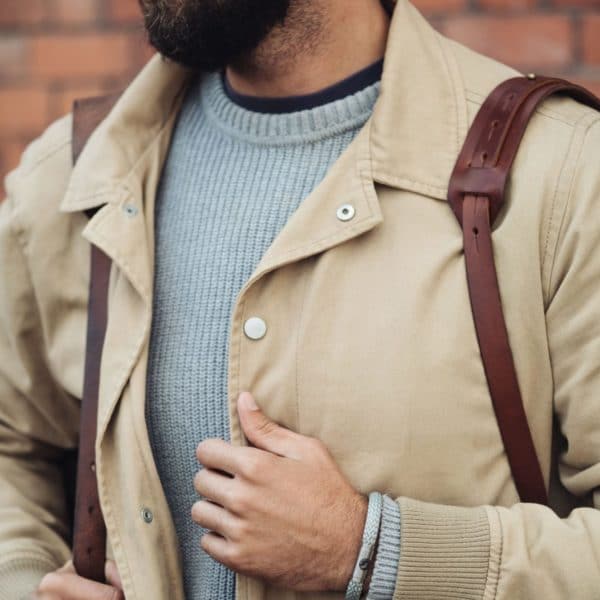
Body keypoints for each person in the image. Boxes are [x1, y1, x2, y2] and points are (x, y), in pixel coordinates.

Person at [1, 0, 599, 598]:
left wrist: (374, 550)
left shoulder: (563, 173)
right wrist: (27, 581)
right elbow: (12, 448)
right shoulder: (75, 180)